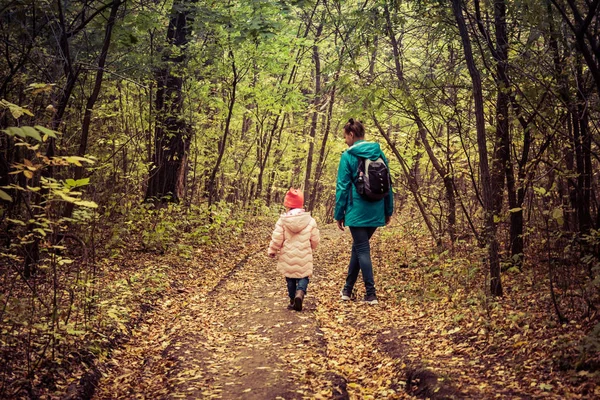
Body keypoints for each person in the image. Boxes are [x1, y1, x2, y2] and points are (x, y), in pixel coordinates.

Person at [334, 118, 393, 305]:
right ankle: (347, 290)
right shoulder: (379, 153)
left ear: (351, 135)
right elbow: (389, 185)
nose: (345, 141)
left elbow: (342, 187)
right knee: (358, 248)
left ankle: (371, 293)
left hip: (356, 211)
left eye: (345, 137)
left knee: (362, 249)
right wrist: (388, 210)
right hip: (376, 209)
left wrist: (339, 214)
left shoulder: (348, 156)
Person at [268, 188, 320, 311]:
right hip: (304, 255)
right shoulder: (310, 221)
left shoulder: (283, 221)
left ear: (288, 205)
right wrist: (312, 246)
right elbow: (315, 238)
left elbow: (277, 237)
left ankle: (292, 301)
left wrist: (272, 250)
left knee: (290, 278)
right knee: (304, 276)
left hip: (288, 255)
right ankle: (300, 293)